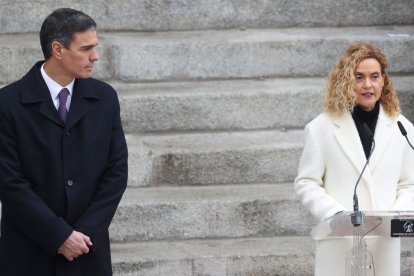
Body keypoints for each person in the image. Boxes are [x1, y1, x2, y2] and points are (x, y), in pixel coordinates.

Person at [0, 8, 128, 276]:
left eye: (95, 47)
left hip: (87, 249)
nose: (95, 56)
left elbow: (116, 172)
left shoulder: (104, 98)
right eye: (86, 48)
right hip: (28, 251)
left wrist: (83, 234)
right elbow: (9, 182)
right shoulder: (8, 104)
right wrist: (59, 235)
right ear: (57, 49)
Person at [294, 43, 414, 275]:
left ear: (383, 81)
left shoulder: (403, 128)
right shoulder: (321, 129)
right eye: (359, 77)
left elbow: (409, 183)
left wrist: (395, 219)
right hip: (339, 242)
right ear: (346, 81)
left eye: (374, 76)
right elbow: (306, 183)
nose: (367, 84)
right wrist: (337, 215)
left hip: (384, 245)